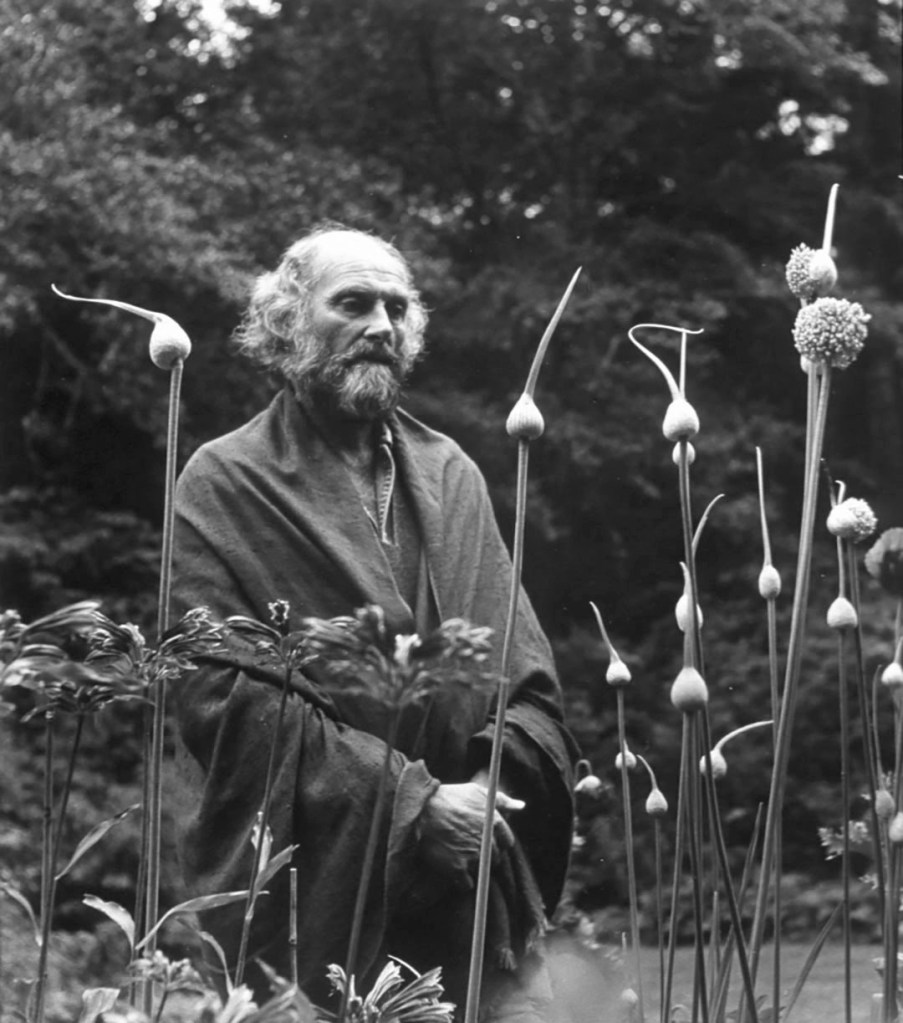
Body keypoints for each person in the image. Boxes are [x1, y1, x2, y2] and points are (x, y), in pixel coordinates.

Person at [170, 225, 579, 1020]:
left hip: (463, 888)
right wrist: (409, 803)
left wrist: (485, 796)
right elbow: (221, 694)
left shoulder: (451, 473)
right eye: (352, 303)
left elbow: (526, 684)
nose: (381, 326)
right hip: (315, 885)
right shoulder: (222, 479)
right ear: (288, 321)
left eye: (396, 308)